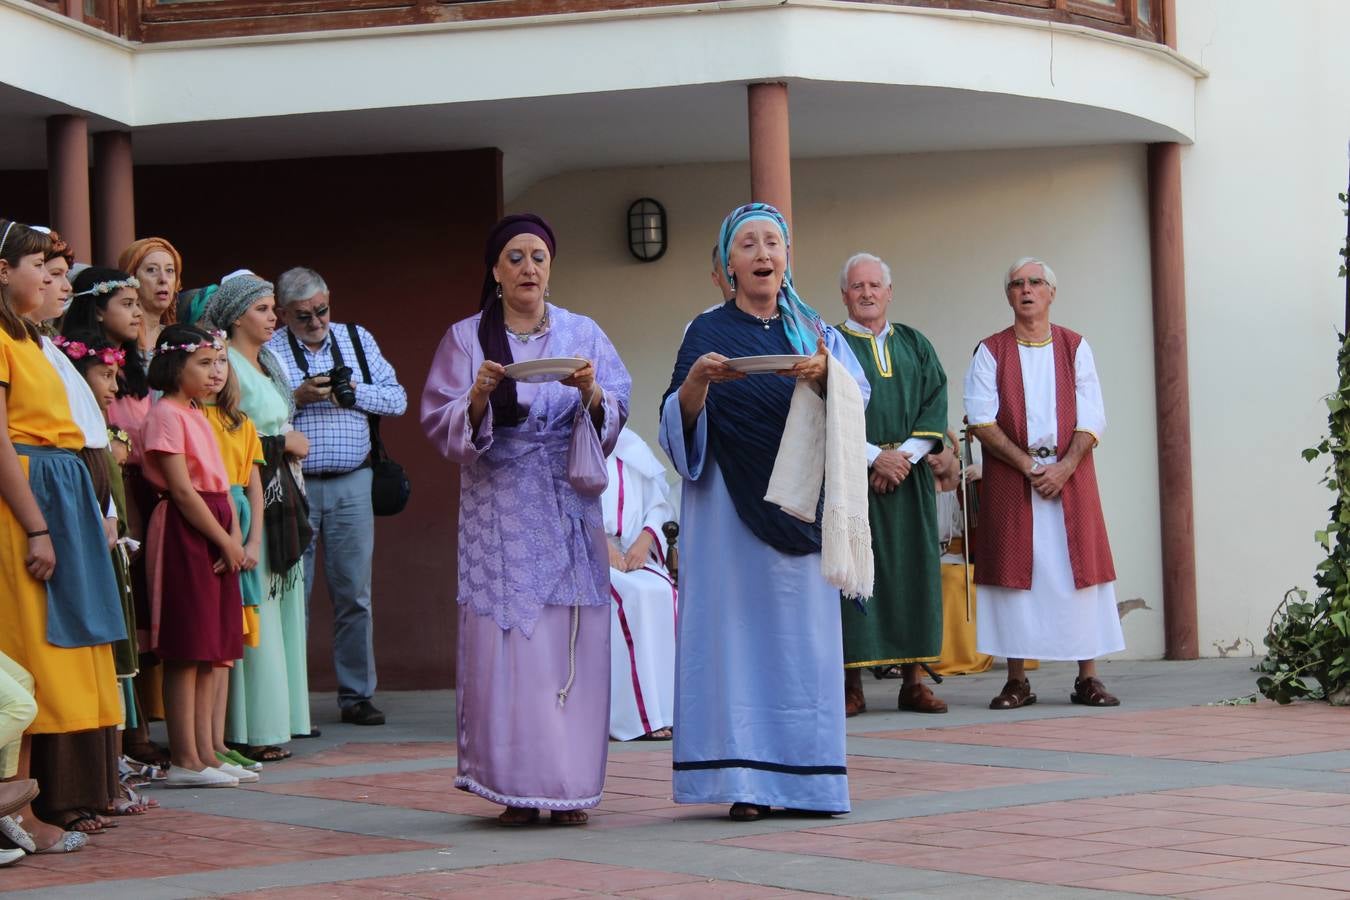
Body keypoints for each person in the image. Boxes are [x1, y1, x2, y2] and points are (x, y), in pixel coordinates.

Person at [660, 203, 869, 822]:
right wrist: (698, 381)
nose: (762, 254)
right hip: (728, 512)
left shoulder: (816, 332)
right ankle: (746, 781)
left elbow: (860, 402)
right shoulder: (704, 330)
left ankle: (806, 782)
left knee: (801, 644)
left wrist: (828, 373)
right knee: (735, 644)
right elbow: (676, 422)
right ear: (728, 262)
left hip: (801, 507)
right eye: (747, 244)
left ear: (787, 257)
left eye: (772, 242)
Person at [422, 213, 631, 826]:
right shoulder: (466, 339)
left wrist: (592, 393)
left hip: (567, 503)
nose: (528, 268)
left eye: (537, 256)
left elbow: (617, 404)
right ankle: (515, 786)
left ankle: (570, 787)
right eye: (514, 257)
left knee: (572, 639)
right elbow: (439, 419)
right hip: (502, 508)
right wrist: (479, 395)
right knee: (516, 642)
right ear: (494, 270)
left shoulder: (581, 331)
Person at [0, 220, 125, 854]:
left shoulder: (27, 338)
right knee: (26, 657)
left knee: (53, 652)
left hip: (55, 493)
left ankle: (23, 805)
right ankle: (17, 809)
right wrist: (39, 526)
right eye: (38, 268)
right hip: (27, 502)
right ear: (3, 271)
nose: (52, 282)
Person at [963, 257, 1125, 709]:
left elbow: (1093, 413)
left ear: (1051, 292)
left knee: (1081, 572)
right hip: (1013, 480)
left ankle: (1087, 677)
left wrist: (1065, 466)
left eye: (1036, 282)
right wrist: (1028, 466)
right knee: (1017, 577)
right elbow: (981, 417)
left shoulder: (1075, 347)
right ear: (1009, 295)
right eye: (1017, 283)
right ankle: (1017, 680)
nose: (1027, 289)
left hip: (1071, 476)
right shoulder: (990, 350)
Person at [268, 267, 407, 727]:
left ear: (330, 299)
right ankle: (291, 702)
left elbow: (398, 399)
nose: (316, 322)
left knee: (354, 594)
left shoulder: (357, 340)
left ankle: (357, 695)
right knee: (293, 596)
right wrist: (298, 397)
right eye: (303, 315)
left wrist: (353, 394)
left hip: (353, 482)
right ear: (283, 313)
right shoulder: (270, 349)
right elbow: (257, 415)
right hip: (294, 483)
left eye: (321, 310)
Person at [835, 253, 949, 716]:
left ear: (889, 291)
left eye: (874, 285)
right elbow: (825, 411)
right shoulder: (832, 346)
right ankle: (851, 685)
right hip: (851, 480)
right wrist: (872, 458)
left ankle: (913, 681)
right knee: (854, 575)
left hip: (910, 480)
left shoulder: (915, 344)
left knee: (912, 573)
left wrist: (901, 458)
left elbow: (935, 401)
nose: (866, 293)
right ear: (845, 294)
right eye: (857, 286)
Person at [204, 274, 312, 756]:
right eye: (264, 309)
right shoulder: (223, 364)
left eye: (273, 309)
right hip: (252, 490)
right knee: (259, 604)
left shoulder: (267, 362)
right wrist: (280, 443)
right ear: (235, 315)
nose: (274, 317)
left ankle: (282, 719)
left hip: (281, 488)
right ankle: (253, 726)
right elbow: (221, 433)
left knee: (283, 600)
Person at [140, 324, 250, 787]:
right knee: (187, 647)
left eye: (219, 363)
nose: (215, 373)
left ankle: (206, 750)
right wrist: (225, 540)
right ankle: (185, 757)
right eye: (204, 363)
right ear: (173, 365)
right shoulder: (166, 413)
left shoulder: (196, 413)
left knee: (211, 647)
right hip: (188, 530)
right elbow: (183, 491)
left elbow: (219, 485)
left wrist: (232, 532)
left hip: (215, 524)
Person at [602, 427, 677, 742]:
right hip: (588, 554)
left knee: (664, 593)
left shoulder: (632, 446)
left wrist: (646, 540)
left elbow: (658, 504)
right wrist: (600, 544)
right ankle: (638, 717)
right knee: (633, 597)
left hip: (632, 553)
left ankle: (669, 710)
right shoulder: (572, 444)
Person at [118, 237, 182, 365]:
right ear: (132, 277)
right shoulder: (119, 338)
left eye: (170, 270)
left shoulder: (178, 339)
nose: (163, 279)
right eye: (151, 270)